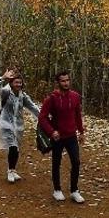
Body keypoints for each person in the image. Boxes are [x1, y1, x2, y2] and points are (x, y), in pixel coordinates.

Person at [38, 71, 85, 203]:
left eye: (67, 80)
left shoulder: (75, 96)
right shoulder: (52, 98)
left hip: (71, 135)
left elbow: (77, 115)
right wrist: (51, 131)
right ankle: (57, 189)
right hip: (58, 137)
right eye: (63, 81)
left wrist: (81, 132)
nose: (66, 83)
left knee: (76, 162)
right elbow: (42, 117)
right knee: (56, 162)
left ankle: (74, 190)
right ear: (58, 82)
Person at [0, 69, 41, 183]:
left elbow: (33, 107)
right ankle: (10, 171)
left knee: (16, 149)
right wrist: (3, 77)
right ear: (11, 83)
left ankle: (13, 169)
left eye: (20, 83)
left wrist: (43, 117)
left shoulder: (22, 96)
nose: (18, 85)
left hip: (18, 126)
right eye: (16, 82)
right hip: (6, 124)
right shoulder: (5, 92)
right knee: (13, 147)